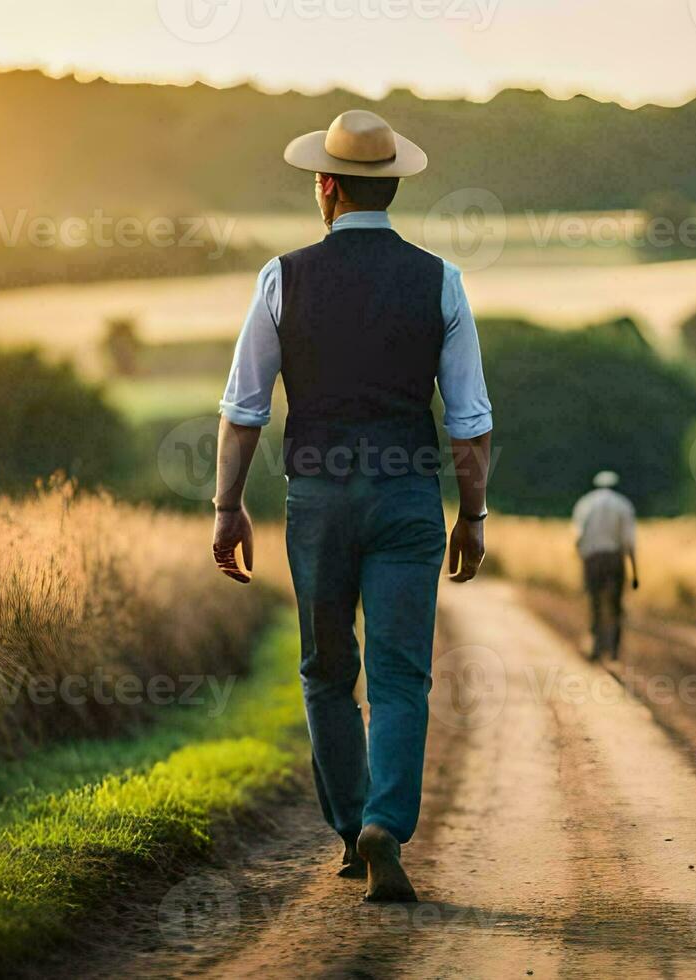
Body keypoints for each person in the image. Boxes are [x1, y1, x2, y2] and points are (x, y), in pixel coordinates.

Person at [210, 110, 494, 903]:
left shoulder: (282, 276)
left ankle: (347, 827)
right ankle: (384, 825)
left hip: (319, 498)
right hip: (407, 495)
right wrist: (472, 518)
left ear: (328, 188)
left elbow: (244, 409)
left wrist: (227, 507)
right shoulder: (440, 280)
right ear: (392, 187)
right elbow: (470, 422)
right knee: (403, 676)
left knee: (327, 671)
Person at [572, 471, 638, 660]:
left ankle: (596, 645)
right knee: (615, 603)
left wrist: (583, 562)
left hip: (592, 558)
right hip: (614, 558)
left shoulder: (586, 503)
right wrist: (634, 572)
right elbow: (628, 541)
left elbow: (578, 537)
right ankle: (614, 648)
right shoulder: (623, 505)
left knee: (595, 601)